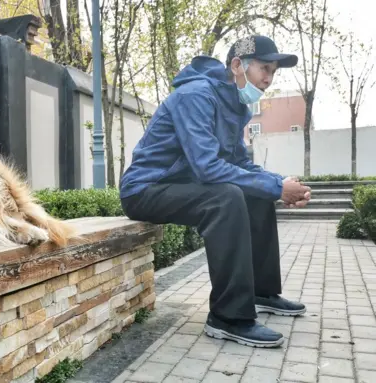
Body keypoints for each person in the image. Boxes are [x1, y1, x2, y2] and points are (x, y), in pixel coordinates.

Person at [119, 35, 311, 348]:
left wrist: (280, 184)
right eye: (265, 68)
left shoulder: (235, 107)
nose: (269, 78)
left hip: (182, 185)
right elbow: (207, 167)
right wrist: (276, 187)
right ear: (238, 65)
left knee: (255, 193)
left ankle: (260, 292)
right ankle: (228, 317)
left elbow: (239, 165)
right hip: (146, 188)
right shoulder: (196, 95)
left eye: (274, 72)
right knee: (227, 197)